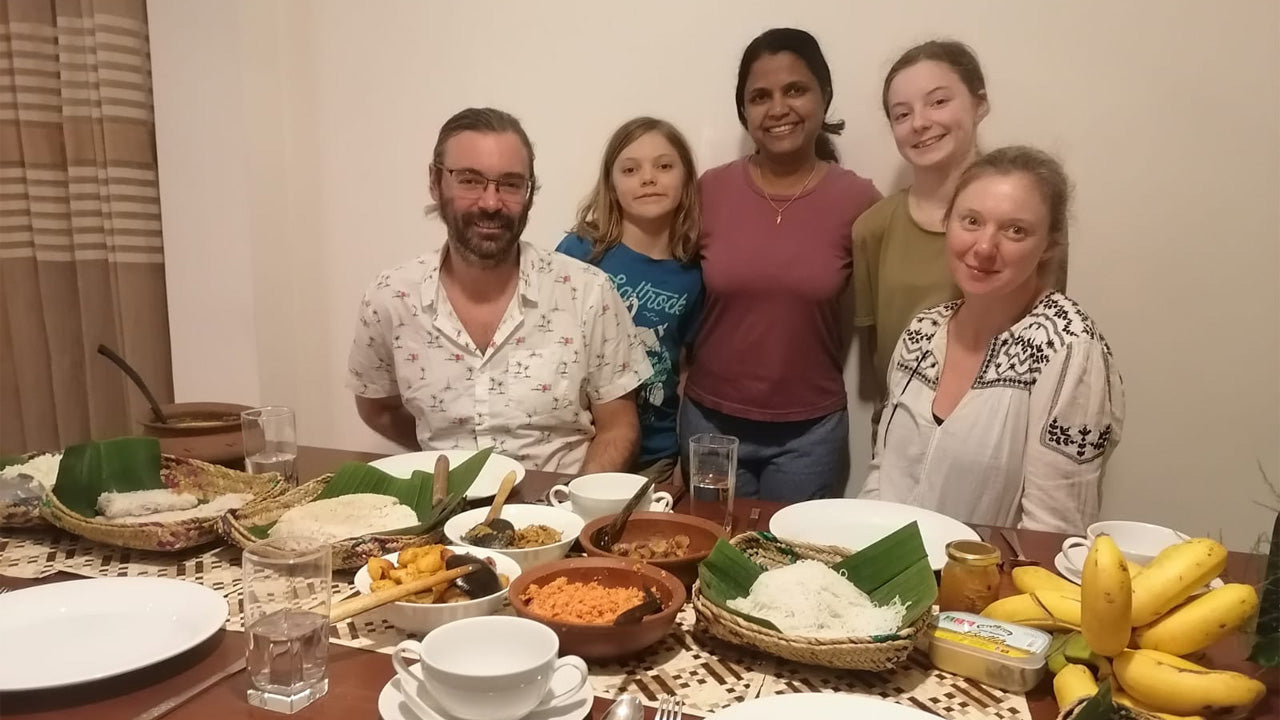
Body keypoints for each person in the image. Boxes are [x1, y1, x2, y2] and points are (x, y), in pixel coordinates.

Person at [347, 107, 652, 474]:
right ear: (435, 181)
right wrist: (450, 462)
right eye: (469, 180)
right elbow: (377, 408)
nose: (491, 203)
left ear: (529, 192)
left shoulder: (587, 292)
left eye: (510, 184)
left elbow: (618, 426)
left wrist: (576, 500)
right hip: (444, 503)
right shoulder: (390, 298)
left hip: (559, 501)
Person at [861, 146, 1124, 533]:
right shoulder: (923, 331)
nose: (984, 248)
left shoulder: (1068, 350)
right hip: (888, 567)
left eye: (1015, 230)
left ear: (1049, 244)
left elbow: (1053, 532)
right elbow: (883, 476)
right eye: (971, 221)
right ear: (948, 223)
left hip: (990, 573)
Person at [679, 28, 881, 502]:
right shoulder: (709, 191)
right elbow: (667, 280)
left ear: (824, 97)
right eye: (760, 96)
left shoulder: (859, 200)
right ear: (744, 111)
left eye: (795, 90)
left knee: (793, 551)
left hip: (809, 436)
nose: (778, 108)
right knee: (709, 546)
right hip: (709, 426)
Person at [855, 40, 1067, 398]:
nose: (920, 122)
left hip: (1013, 422)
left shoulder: (1033, 218)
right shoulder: (872, 228)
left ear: (979, 104)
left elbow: (1051, 337)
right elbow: (879, 357)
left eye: (938, 101)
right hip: (902, 424)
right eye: (902, 114)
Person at [556, 117, 704, 484]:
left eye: (664, 166)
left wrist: (684, 455)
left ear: (686, 178)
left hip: (655, 457)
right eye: (630, 169)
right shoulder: (579, 252)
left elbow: (688, 368)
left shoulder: (694, 272)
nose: (648, 178)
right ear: (611, 183)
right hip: (581, 450)